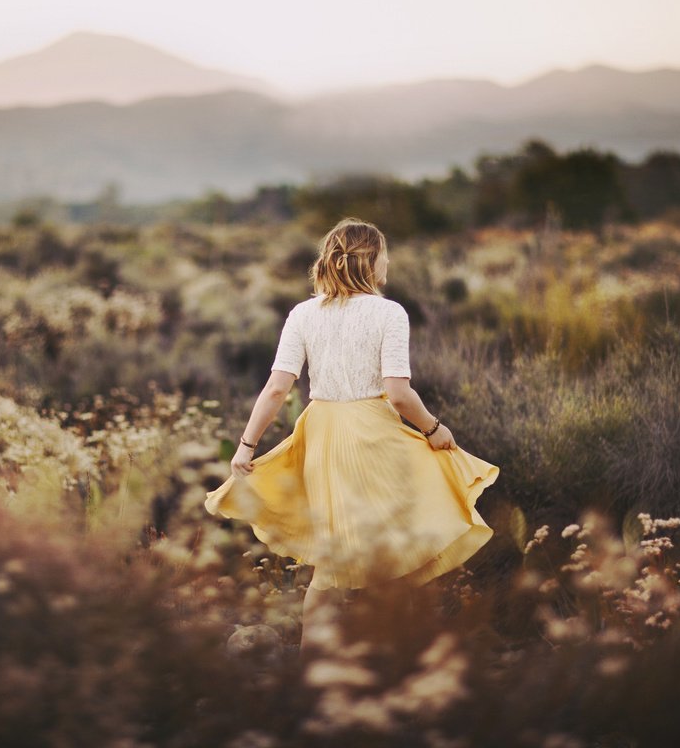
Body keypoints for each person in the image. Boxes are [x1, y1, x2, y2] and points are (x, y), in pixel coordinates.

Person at [204, 217, 498, 658]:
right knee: (398, 542)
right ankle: (402, 656)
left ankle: (311, 663)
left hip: (322, 433)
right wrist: (435, 430)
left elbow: (277, 389)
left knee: (331, 557)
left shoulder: (302, 314)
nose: (389, 261)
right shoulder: (389, 313)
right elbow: (399, 394)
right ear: (371, 259)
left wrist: (246, 447)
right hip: (373, 435)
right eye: (384, 253)